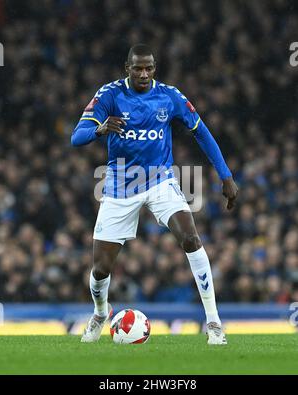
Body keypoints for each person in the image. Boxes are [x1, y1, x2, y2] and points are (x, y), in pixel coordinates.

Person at [71, 44, 238, 345]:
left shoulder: (169, 96)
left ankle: (214, 322)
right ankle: (99, 312)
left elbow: (202, 131)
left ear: (154, 68)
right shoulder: (109, 95)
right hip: (120, 184)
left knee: (191, 238)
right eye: (137, 68)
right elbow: (76, 137)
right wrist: (100, 129)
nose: (144, 73)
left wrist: (225, 175)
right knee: (100, 270)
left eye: (148, 68)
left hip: (160, 180)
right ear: (127, 68)